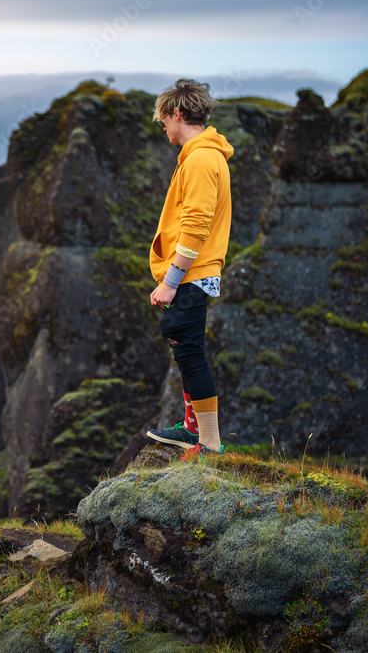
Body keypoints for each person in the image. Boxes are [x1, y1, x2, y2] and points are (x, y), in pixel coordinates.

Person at [146, 79, 233, 460]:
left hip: (192, 274)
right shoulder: (204, 156)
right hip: (196, 272)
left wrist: (170, 281)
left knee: (191, 352)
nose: (162, 126)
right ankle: (191, 429)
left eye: (163, 118)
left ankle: (209, 443)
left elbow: (196, 225)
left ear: (178, 113)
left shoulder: (200, 159)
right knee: (185, 349)